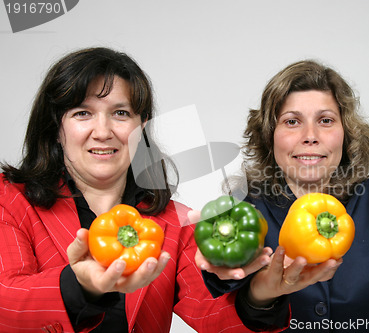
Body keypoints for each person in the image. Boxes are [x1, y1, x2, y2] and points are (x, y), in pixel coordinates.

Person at [0, 47, 293, 333]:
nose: (103, 132)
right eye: (82, 113)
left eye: (120, 113)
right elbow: (6, 305)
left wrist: (260, 296)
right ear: (57, 128)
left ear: (142, 129)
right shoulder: (10, 201)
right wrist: (80, 287)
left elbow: (219, 319)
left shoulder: (175, 224)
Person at [197, 60, 369, 332]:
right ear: (270, 136)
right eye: (292, 122)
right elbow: (242, 316)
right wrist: (263, 290)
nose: (310, 136)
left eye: (325, 120)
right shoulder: (244, 211)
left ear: (346, 133)